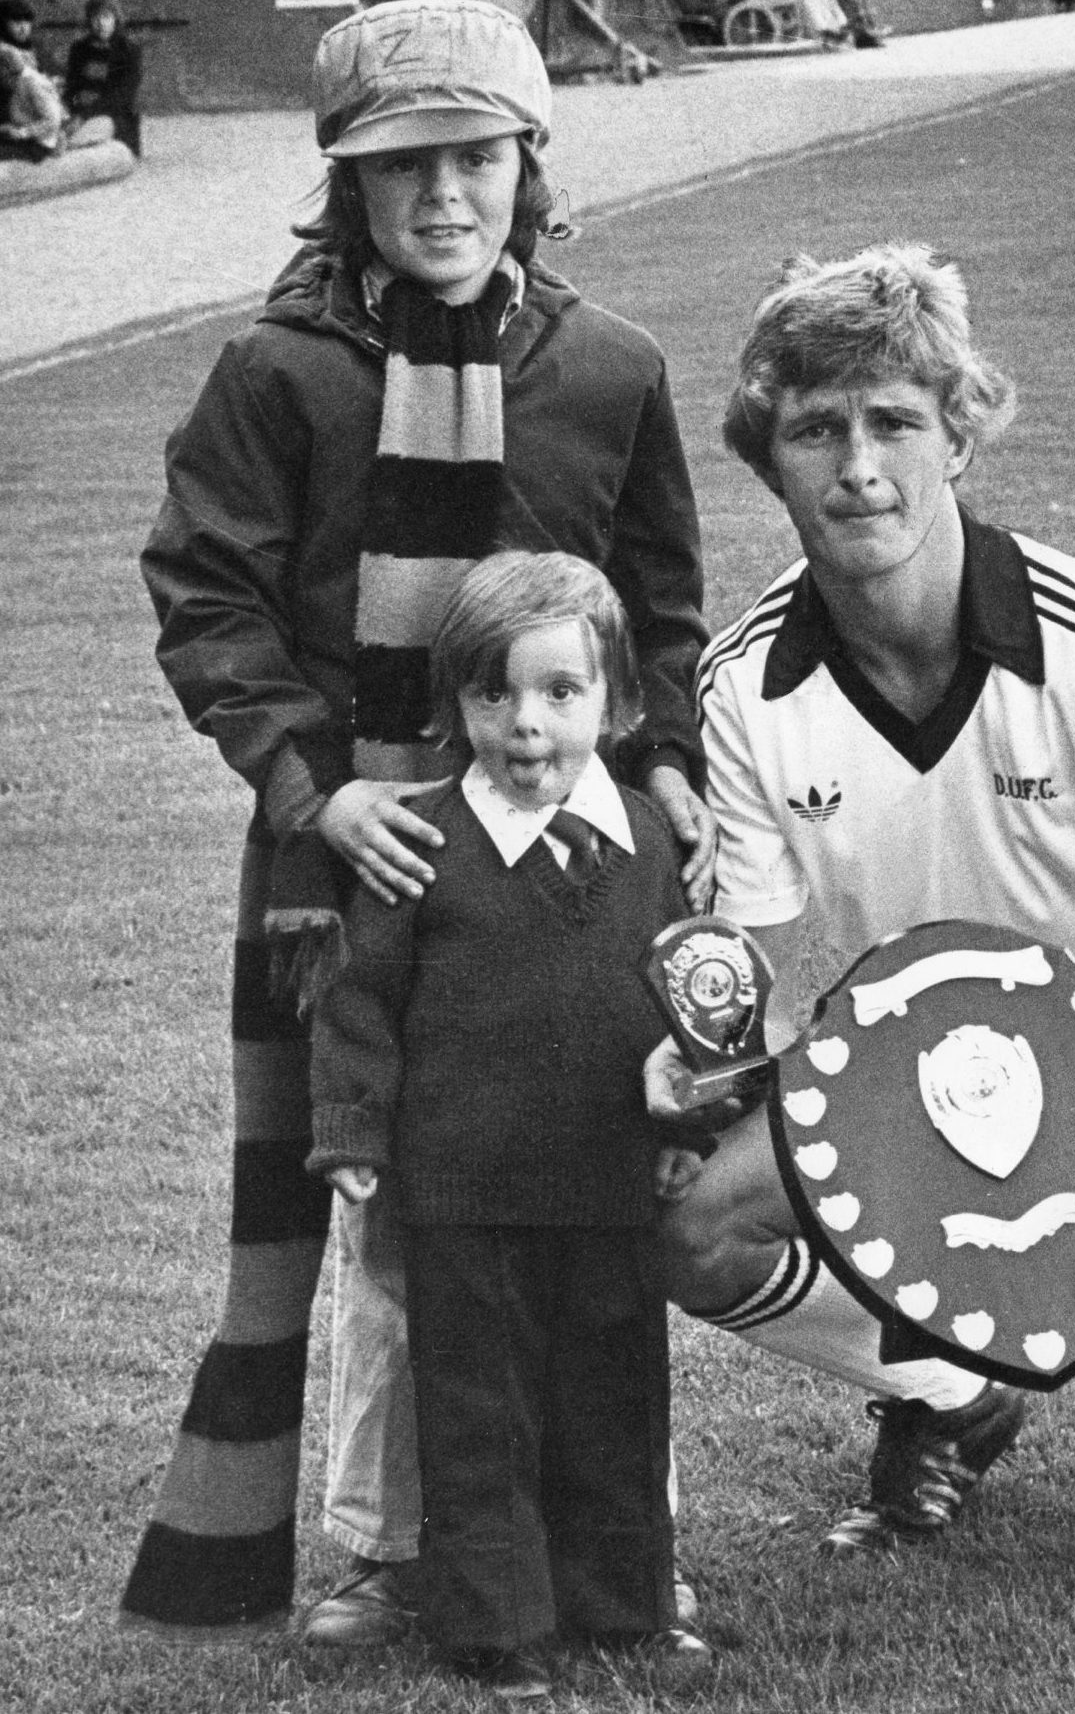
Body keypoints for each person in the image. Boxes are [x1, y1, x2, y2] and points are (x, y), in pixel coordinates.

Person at [123, 0, 713, 1645]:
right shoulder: (281, 370)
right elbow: (208, 596)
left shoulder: (607, 367)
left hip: (567, 862)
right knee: (384, 1201)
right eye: (401, 167)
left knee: (590, 1194)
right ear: (346, 185)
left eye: (474, 157)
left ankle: (612, 1544)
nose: (441, 196)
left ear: (529, 166)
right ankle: (392, 1552)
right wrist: (318, 791)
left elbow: (658, 606)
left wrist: (662, 758)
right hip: (349, 861)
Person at [647, 244, 1075, 1611]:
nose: (859, 466)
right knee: (687, 1223)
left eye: (895, 421)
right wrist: (714, 1066)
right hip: (903, 1066)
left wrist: (1074, 1086)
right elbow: (751, 984)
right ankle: (950, 1393)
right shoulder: (746, 687)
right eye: (817, 428)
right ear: (771, 456)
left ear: (960, 436)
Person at [306, 551, 714, 1697]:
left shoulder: (647, 841)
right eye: (493, 695)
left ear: (618, 702)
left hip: (609, 1185)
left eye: (559, 692)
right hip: (464, 1194)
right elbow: (358, 999)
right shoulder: (419, 844)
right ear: (455, 707)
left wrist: (691, 1121)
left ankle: (626, 1607)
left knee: (614, 1404)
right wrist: (352, 1131)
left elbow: (685, 1001)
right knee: (480, 1421)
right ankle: (494, 1627)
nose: (525, 724)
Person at [64, 0, 141, 153]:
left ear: (115, 19)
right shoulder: (79, 48)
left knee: (86, 134)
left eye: (106, 17)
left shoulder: (128, 50)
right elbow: (72, 87)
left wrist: (84, 116)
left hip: (113, 115)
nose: (101, 24)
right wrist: (72, 110)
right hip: (79, 112)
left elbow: (122, 96)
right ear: (88, 21)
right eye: (95, 18)